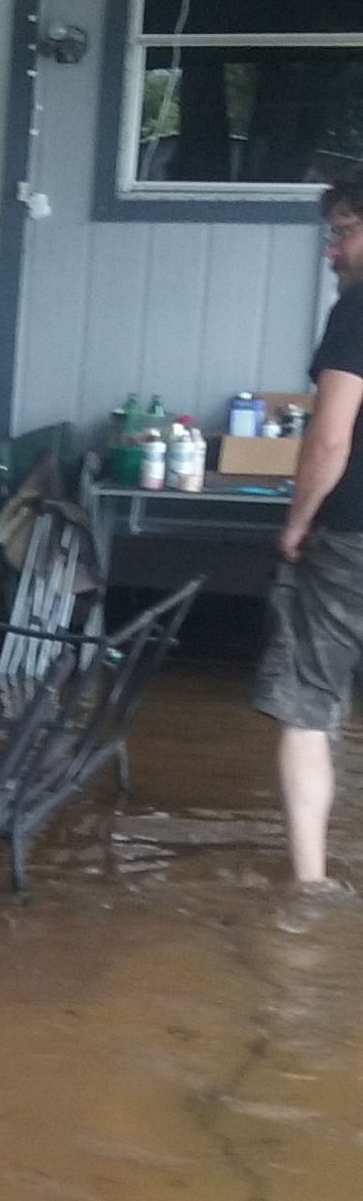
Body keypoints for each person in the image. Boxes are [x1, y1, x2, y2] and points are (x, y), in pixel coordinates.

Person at [254, 171, 363, 886]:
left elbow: (329, 439)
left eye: (343, 232)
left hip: (350, 540)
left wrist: (297, 523)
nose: (331, 252)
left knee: (309, 702)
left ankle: (311, 885)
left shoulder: (357, 312)